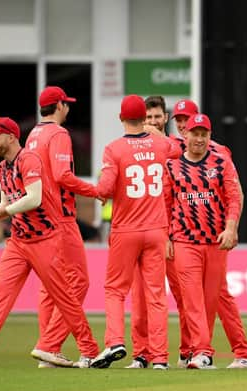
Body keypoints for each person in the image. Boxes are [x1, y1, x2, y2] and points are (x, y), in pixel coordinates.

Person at [0, 117, 99, 368]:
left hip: (45, 240)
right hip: (18, 241)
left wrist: (0, 214)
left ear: (11, 137)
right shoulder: (2, 168)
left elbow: (34, 199)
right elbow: (6, 203)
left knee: (64, 297)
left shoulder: (29, 160)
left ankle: (89, 349)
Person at [159, 99, 247, 369]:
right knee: (191, 299)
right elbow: (165, 204)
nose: (198, 138)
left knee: (212, 300)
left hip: (214, 242)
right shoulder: (172, 164)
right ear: (185, 134)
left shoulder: (221, 160)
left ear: (209, 135)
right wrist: (166, 237)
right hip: (184, 241)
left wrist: (231, 227)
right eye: (192, 132)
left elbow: (234, 197)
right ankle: (201, 351)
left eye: (203, 134)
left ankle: (220, 351)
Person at [90, 95, 172, 369]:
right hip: (157, 228)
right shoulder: (161, 144)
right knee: (156, 295)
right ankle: (160, 358)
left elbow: (105, 189)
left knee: (115, 290)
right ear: (144, 118)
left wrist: (93, 190)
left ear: (121, 118)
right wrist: (155, 136)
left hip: (126, 229)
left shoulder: (114, 149)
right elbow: (176, 150)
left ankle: (115, 341)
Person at [26, 85, 103, 368]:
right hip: (60, 217)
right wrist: (94, 190)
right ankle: (49, 345)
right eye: (66, 104)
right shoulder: (58, 134)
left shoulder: (33, 134)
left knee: (51, 285)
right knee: (79, 281)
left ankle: (48, 352)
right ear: (58, 106)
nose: (68, 108)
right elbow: (62, 175)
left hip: (39, 218)